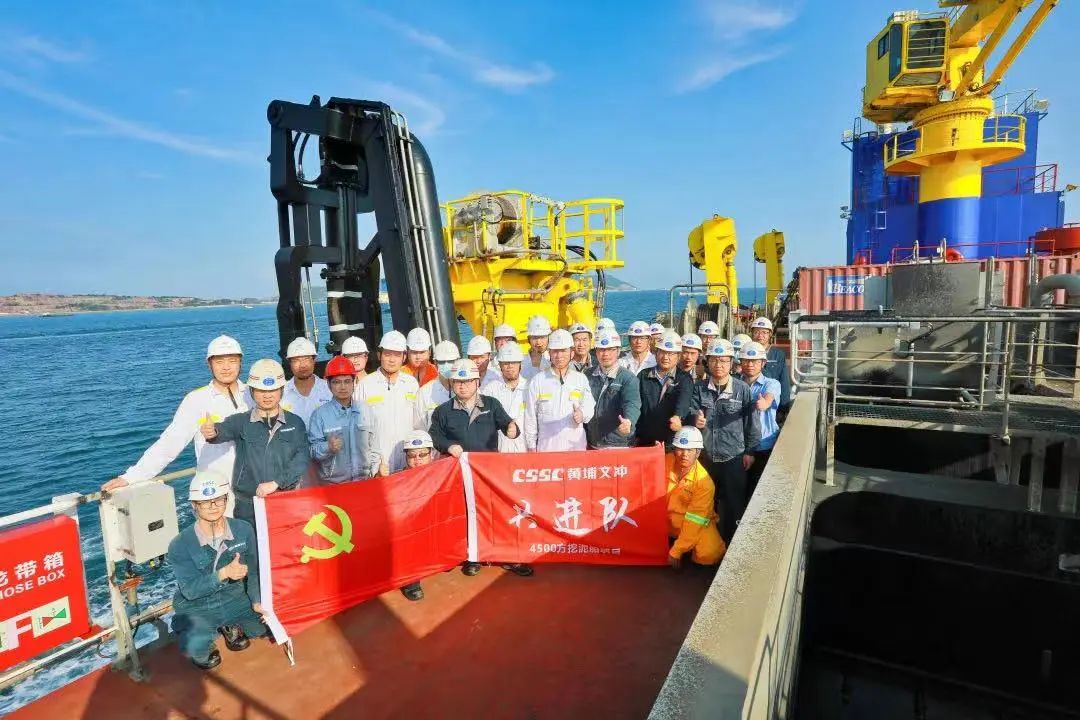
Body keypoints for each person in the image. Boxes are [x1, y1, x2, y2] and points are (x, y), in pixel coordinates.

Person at [102, 336, 251, 511]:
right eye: (219, 362)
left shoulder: (253, 394)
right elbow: (170, 443)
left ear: (240, 362)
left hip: (254, 486)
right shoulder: (197, 399)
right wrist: (131, 476)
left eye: (232, 361)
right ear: (209, 364)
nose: (226, 367)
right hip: (215, 492)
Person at [429, 359, 530, 578]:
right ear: (452, 383)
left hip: (488, 475)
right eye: (458, 382)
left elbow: (509, 425)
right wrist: (448, 446)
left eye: (467, 381)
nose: (463, 386)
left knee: (496, 514)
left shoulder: (491, 405)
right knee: (466, 516)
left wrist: (513, 429)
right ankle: (472, 557)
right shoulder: (443, 411)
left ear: (477, 382)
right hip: (460, 475)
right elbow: (434, 436)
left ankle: (505, 555)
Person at [168, 472, 266, 670]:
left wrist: (256, 600)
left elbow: (255, 571)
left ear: (226, 500)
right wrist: (223, 573)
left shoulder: (243, 529)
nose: (213, 506)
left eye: (218, 499)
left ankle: (230, 624)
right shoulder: (179, 544)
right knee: (196, 647)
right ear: (194, 505)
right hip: (198, 605)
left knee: (264, 627)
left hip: (235, 598)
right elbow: (190, 591)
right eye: (205, 501)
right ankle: (201, 633)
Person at [201, 359, 309, 525]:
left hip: (285, 499)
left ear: (281, 390)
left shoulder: (295, 423)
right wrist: (212, 432)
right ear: (251, 391)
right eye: (261, 390)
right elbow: (222, 430)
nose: (267, 395)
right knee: (250, 541)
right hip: (248, 504)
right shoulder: (241, 421)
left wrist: (277, 482)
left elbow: (301, 458)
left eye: (273, 390)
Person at [692, 339, 759, 543]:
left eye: (723, 360)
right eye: (714, 360)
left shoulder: (742, 389)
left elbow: (751, 423)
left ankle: (731, 545)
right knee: (705, 505)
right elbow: (689, 412)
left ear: (731, 363)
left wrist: (750, 452)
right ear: (707, 362)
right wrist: (694, 419)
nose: (718, 365)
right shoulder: (699, 388)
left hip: (734, 458)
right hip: (706, 458)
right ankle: (705, 545)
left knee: (734, 505)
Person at [354, 331, 426, 472]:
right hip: (379, 463)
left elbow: (419, 423)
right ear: (379, 355)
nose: (392, 360)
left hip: (408, 460)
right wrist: (372, 465)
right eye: (387, 354)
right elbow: (358, 429)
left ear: (404, 357)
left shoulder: (411, 383)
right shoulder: (365, 385)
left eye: (397, 355)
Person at [307, 355, 385, 484]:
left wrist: (374, 471)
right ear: (328, 384)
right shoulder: (319, 415)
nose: (343, 387)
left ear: (354, 382)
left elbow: (374, 447)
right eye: (337, 382)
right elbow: (312, 452)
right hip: (334, 486)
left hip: (365, 482)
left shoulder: (366, 410)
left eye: (347, 381)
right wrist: (328, 447)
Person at [524, 329, 595, 452]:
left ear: (572, 353)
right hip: (547, 450)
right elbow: (530, 417)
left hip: (575, 449)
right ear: (549, 353)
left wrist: (582, 414)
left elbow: (589, 404)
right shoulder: (538, 380)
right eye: (555, 351)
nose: (559, 356)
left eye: (563, 351)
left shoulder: (580, 379)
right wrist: (531, 446)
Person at [665, 428, 726, 569]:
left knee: (710, 552)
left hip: (688, 523)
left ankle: (684, 546)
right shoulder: (664, 462)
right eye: (680, 449)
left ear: (698, 453)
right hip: (663, 520)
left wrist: (676, 551)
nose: (684, 454)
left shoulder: (704, 483)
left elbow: (695, 520)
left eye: (690, 450)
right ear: (674, 449)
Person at [394, 429, 441, 602]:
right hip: (410, 531)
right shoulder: (396, 478)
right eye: (412, 456)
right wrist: (379, 476)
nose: (417, 460)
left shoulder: (442, 475)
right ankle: (411, 581)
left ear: (431, 454)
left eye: (422, 455)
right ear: (405, 457)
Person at [635, 331, 692, 450]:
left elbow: (684, 400)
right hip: (644, 441)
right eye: (662, 352)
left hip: (671, 442)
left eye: (670, 353)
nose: (665, 357)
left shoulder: (684, 378)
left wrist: (678, 416)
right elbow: (635, 404)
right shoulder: (643, 375)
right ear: (656, 353)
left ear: (678, 356)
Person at [585, 329, 641, 449]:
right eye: (601, 349)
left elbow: (632, 403)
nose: (606, 354)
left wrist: (629, 421)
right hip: (593, 442)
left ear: (618, 351)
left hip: (618, 444)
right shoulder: (587, 375)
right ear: (596, 351)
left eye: (611, 349)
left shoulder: (628, 378)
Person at [739, 341, 781, 498]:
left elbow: (768, 398)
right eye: (746, 361)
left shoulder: (771, 383)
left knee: (758, 491)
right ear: (741, 362)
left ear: (763, 363)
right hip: (739, 446)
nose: (750, 365)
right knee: (740, 490)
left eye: (755, 361)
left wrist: (765, 403)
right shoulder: (735, 384)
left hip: (763, 446)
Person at [482, 343, 529, 453]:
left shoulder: (530, 387)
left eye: (514, 362)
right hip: (499, 449)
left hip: (525, 448)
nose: (510, 366)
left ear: (520, 364)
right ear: (500, 365)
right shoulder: (490, 390)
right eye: (506, 363)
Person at [281, 337, 332, 426]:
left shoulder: (329, 389)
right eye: (296, 360)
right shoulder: (281, 393)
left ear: (314, 360)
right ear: (289, 363)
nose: (302, 365)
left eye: (306, 359)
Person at [749, 316, 792, 413]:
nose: (760, 335)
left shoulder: (778, 354)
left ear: (770, 334)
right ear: (752, 333)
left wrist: (784, 407)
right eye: (756, 332)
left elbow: (784, 381)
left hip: (772, 402)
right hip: (752, 400)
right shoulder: (747, 352)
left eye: (764, 332)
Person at [419, 340, 460, 426]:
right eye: (442, 362)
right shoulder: (424, 393)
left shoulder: (469, 388)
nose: (446, 365)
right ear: (435, 363)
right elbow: (420, 427)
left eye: (451, 361)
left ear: (458, 361)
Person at [522, 315, 552, 381]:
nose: (538, 342)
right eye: (534, 338)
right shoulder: (521, 361)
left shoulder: (555, 360)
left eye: (542, 337)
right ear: (529, 339)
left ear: (549, 337)